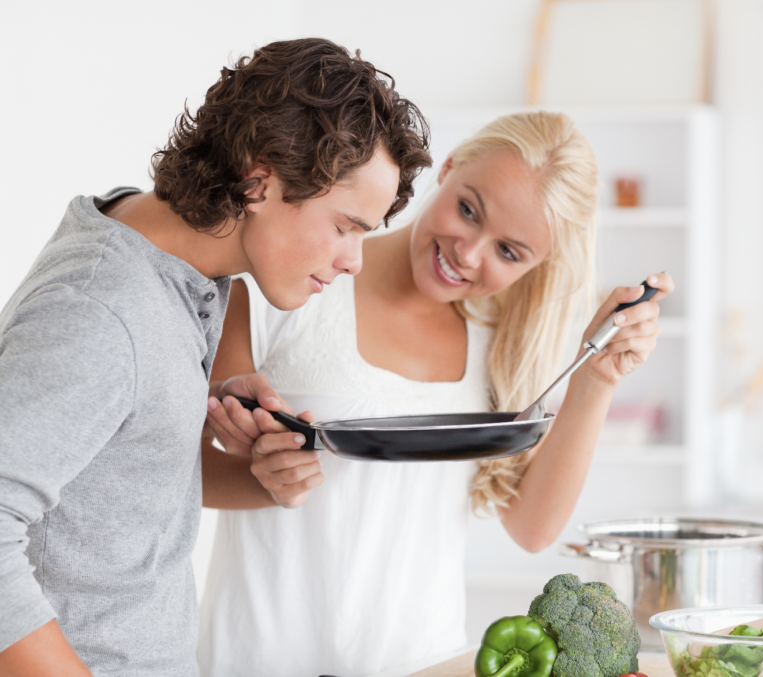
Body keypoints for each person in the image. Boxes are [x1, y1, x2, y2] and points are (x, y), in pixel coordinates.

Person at [0, 38, 430, 677]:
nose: (354, 261)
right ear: (258, 179)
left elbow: (107, 489)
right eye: (345, 226)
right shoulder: (102, 309)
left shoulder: (177, 266)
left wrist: (247, 463)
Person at [198, 111, 674, 677]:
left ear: (537, 265)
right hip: (258, 663)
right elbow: (180, 462)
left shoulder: (498, 348)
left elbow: (532, 529)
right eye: (468, 210)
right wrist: (259, 479)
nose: (468, 253)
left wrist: (597, 378)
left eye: (509, 252)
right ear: (447, 168)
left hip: (425, 665)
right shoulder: (286, 284)